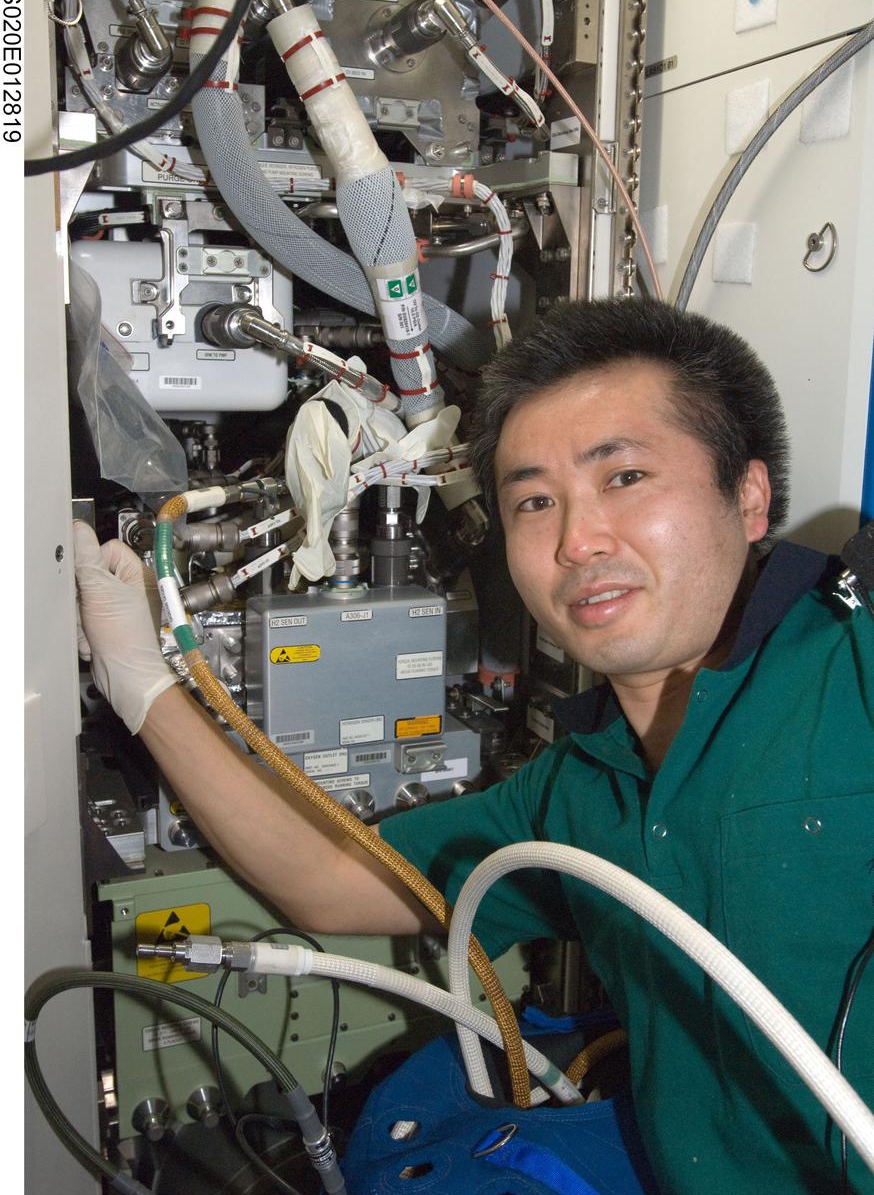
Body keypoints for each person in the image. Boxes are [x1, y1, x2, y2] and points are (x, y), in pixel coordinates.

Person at [74, 298, 874, 1195]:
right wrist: (142, 687)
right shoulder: (576, 798)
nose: (576, 541)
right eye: (535, 500)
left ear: (749, 496)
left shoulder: (853, 665)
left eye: (625, 479)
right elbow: (332, 886)